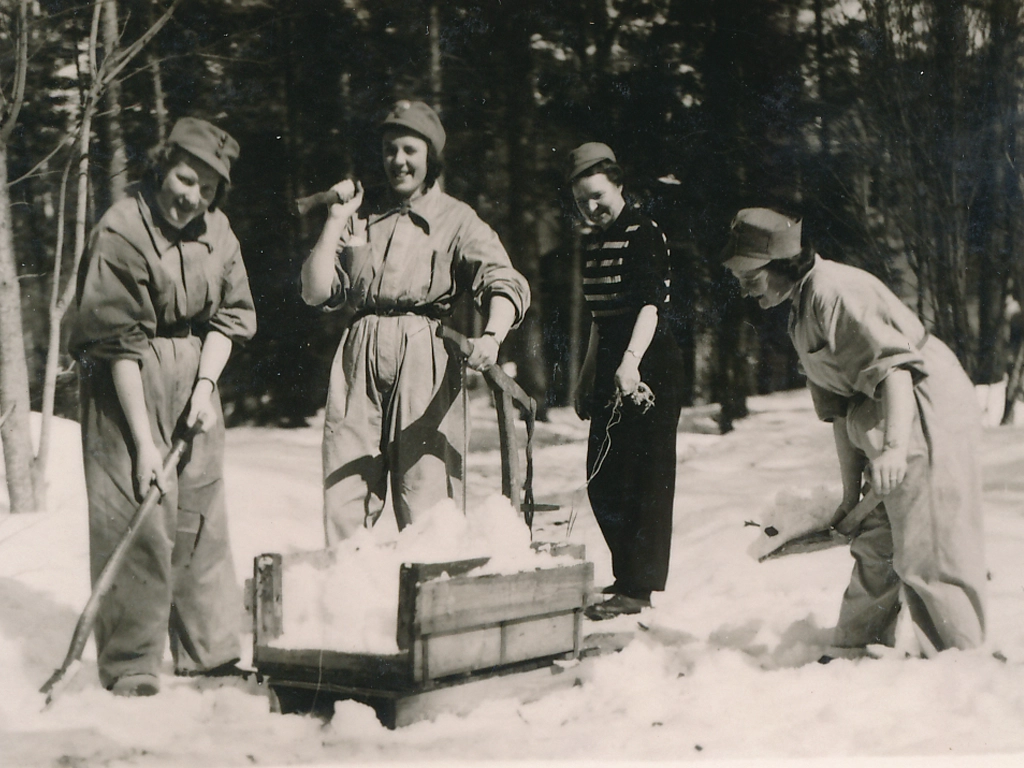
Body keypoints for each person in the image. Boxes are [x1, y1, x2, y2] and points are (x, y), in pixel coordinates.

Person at [722, 207, 986, 655]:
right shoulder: (799, 312)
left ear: (783, 264)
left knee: (928, 545)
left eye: (751, 278)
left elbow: (896, 372)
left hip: (921, 407)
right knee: (876, 535)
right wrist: (851, 498)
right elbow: (841, 412)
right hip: (881, 420)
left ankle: (959, 665)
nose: (745, 291)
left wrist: (896, 450)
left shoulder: (835, 293)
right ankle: (856, 646)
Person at [70, 117, 256, 696]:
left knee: (199, 516)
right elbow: (118, 341)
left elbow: (230, 316)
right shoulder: (120, 230)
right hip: (126, 378)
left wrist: (203, 387)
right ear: (162, 164)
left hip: (195, 373)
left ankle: (212, 652)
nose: (191, 196)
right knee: (135, 510)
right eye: (183, 178)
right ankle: (132, 663)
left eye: (206, 188)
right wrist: (146, 443)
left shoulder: (218, 231)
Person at [300, 100, 530, 543]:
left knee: (428, 494)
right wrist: (334, 222)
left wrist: (494, 334)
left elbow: (502, 279)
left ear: (431, 156)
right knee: (345, 491)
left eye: (410, 149)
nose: (398, 161)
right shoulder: (362, 214)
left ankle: (431, 599)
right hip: (359, 354)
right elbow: (315, 291)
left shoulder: (457, 218)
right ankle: (347, 598)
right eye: (389, 149)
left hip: (425, 355)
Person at [568, 142, 684, 621]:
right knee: (603, 479)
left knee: (645, 479)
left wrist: (631, 363)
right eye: (581, 201)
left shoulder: (642, 234)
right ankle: (627, 575)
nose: (591, 207)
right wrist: (585, 375)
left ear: (618, 184)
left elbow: (649, 306)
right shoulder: (592, 243)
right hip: (613, 358)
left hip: (649, 359)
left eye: (597, 195)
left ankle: (638, 588)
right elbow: (600, 318)